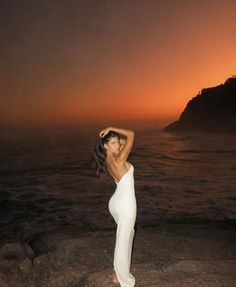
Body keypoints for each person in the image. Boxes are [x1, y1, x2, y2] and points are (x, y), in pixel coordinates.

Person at [92, 126, 137, 286]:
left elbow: (124, 140)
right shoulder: (118, 160)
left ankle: (116, 271)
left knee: (126, 235)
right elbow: (131, 134)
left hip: (117, 201)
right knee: (123, 240)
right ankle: (120, 278)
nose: (118, 145)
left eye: (117, 142)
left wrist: (114, 138)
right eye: (113, 143)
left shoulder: (108, 158)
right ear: (105, 146)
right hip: (125, 204)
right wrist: (111, 127)